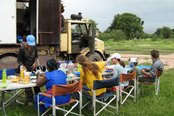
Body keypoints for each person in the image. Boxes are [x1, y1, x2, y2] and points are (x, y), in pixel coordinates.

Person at [17, 34, 40, 105]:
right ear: (26, 42)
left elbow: (36, 56)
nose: (31, 45)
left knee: (36, 83)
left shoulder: (34, 47)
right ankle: (30, 99)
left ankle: (38, 98)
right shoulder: (22, 49)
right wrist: (23, 67)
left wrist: (35, 62)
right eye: (30, 44)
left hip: (33, 67)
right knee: (27, 84)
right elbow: (19, 60)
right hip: (25, 68)